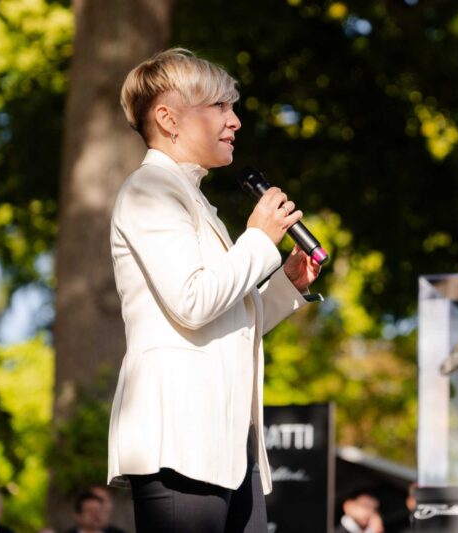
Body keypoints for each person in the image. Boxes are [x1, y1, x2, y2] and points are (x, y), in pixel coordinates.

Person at [107, 48, 322, 533]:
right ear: (168, 118)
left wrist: (286, 285)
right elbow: (193, 301)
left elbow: (229, 322)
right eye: (220, 107)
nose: (236, 121)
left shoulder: (196, 202)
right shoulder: (149, 191)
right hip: (182, 441)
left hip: (229, 446)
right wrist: (259, 239)